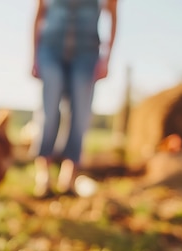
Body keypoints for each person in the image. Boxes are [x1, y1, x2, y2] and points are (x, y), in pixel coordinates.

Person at [30, 0, 118, 197]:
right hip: (51, 48)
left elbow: (112, 15)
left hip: (86, 53)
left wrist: (107, 58)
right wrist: (34, 56)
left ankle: (68, 176)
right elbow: (38, 15)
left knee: (80, 113)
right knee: (49, 111)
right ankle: (43, 174)